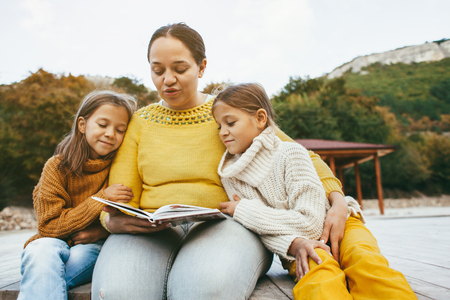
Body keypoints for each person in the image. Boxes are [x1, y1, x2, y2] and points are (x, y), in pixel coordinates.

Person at [91, 23, 349, 300]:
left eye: (180, 69)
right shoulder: (139, 122)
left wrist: (338, 199)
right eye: (158, 70)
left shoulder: (227, 113)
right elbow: (120, 194)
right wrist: (111, 221)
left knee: (202, 289)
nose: (168, 79)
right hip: (155, 230)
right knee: (117, 292)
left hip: (226, 225)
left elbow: (298, 154)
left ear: (201, 67)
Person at [213, 83, 417, 300]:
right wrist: (292, 245)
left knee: (366, 261)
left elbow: (310, 221)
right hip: (296, 246)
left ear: (261, 118)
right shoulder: (231, 176)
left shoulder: (291, 153)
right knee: (318, 276)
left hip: (340, 225)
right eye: (218, 126)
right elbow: (264, 232)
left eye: (231, 123)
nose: (223, 132)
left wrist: (247, 212)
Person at [18, 90, 137, 300]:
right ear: (82, 125)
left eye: (120, 130)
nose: (111, 134)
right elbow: (48, 227)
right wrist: (101, 199)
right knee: (41, 252)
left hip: (91, 247)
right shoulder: (56, 168)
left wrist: (100, 233)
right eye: (103, 125)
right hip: (51, 243)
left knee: (54, 270)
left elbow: (130, 218)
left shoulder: (120, 169)